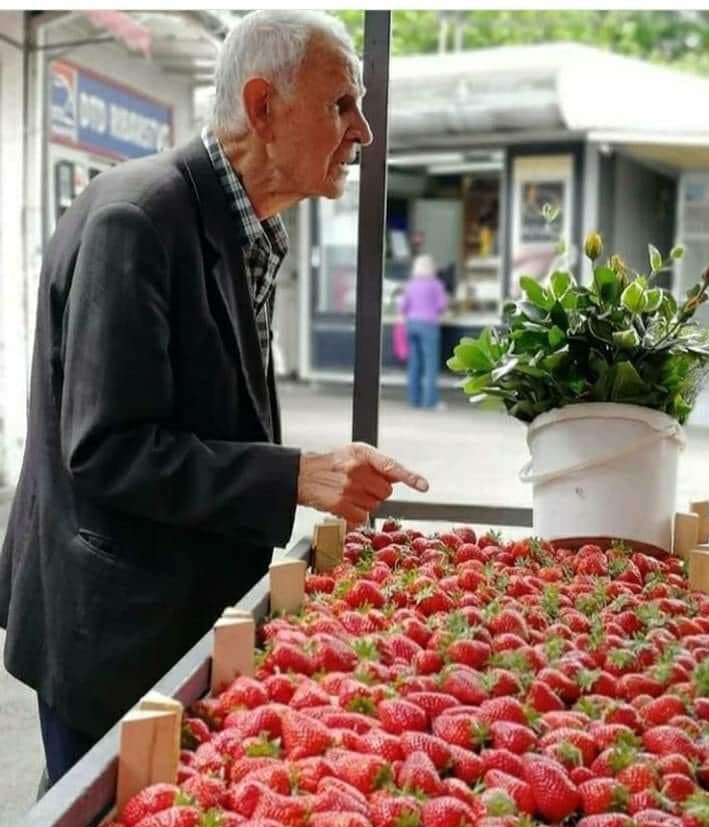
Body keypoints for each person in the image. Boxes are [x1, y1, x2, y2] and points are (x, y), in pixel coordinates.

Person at [0, 9, 428, 788]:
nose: (362, 132)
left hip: (170, 608)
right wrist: (294, 474)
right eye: (341, 105)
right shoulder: (139, 219)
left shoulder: (240, 223)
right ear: (262, 108)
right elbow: (107, 449)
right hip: (111, 627)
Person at [401, 253, 448, 409]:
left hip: (411, 324)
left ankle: (413, 400)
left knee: (414, 364)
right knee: (430, 365)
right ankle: (430, 401)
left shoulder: (410, 284)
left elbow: (403, 307)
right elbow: (441, 306)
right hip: (428, 324)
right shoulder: (436, 284)